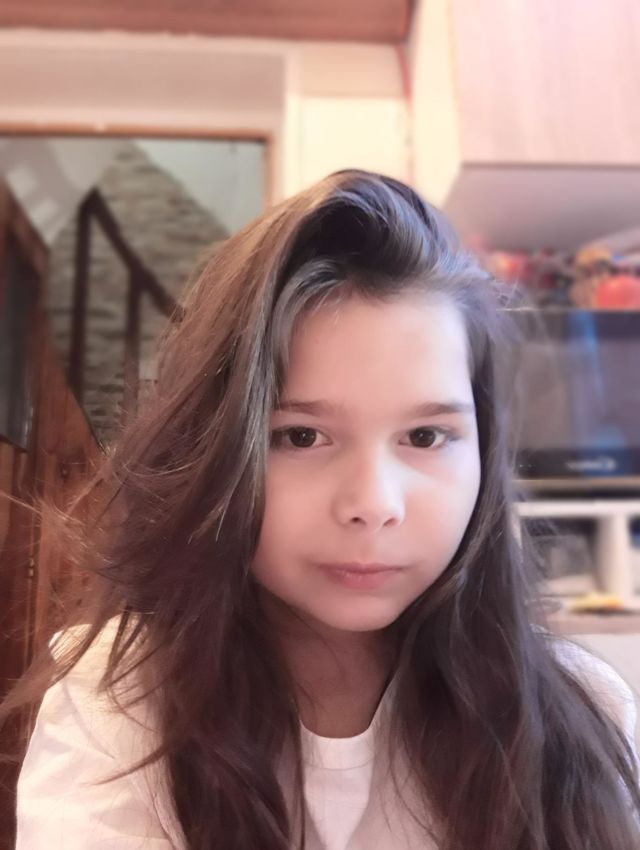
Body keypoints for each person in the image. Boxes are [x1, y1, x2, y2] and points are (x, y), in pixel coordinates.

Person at [2, 170, 639, 850]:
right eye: (301, 436)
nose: (374, 505)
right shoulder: (121, 701)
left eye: (426, 436)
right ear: (215, 447)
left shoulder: (584, 713)